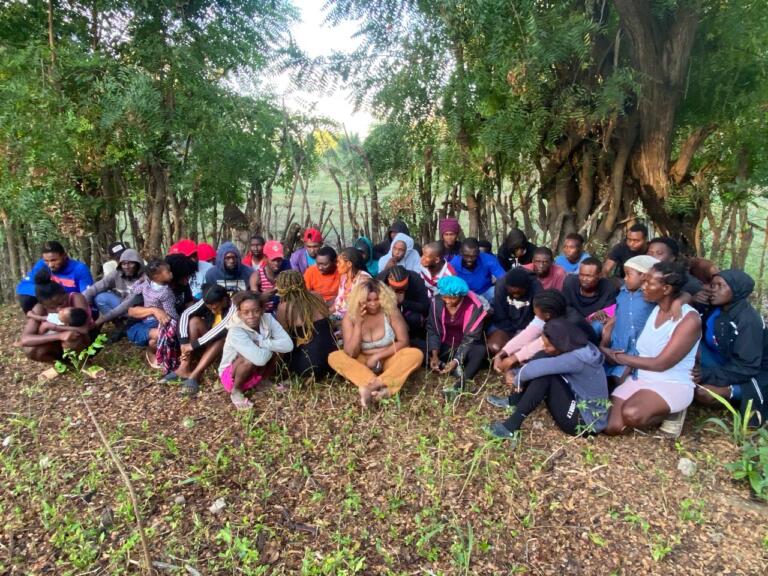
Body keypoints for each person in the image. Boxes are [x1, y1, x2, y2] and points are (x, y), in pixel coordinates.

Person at [602, 262, 701, 437]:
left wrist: (618, 357)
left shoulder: (689, 320)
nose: (643, 286)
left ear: (666, 288)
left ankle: (673, 412)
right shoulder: (653, 309)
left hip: (671, 382)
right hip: (641, 377)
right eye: (644, 281)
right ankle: (648, 405)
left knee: (631, 414)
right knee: (611, 427)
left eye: (649, 283)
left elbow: (660, 364)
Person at [487, 318, 610, 440]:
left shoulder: (578, 358)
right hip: (576, 398)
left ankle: (511, 427)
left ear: (561, 343)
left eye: (548, 345)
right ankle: (517, 400)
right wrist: (516, 373)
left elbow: (536, 368)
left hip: (585, 421)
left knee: (545, 376)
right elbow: (540, 362)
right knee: (543, 355)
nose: (544, 347)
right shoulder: (576, 345)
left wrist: (517, 379)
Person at [328, 280, 423, 407]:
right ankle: (382, 386)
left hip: (389, 357)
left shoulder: (390, 311)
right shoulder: (350, 317)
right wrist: (358, 324)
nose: (373, 304)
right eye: (368, 300)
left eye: (377, 299)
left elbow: (404, 342)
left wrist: (377, 356)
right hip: (362, 360)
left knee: (415, 354)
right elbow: (351, 353)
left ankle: (372, 386)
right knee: (335, 357)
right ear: (359, 301)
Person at [693, 270, 768, 424]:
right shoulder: (715, 309)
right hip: (724, 361)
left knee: (703, 393)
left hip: (754, 373)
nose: (713, 290)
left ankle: (731, 392)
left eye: (720, 286)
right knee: (685, 345)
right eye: (713, 285)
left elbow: (747, 367)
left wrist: (707, 374)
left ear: (736, 290)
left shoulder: (748, 321)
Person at [491, 289, 598, 384]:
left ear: (547, 315)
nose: (535, 315)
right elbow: (530, 332)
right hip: (568, 351)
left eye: (536, 313)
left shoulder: (566, 324)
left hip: (584, 360)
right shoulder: (553, 311)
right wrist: (503, 352)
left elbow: (542, 344)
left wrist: (513, 359)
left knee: (540, 356)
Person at [218, 292, 294, 410]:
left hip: (256, 372)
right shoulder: (235, 330)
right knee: (249, 359)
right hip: (232, 376)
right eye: (246, 312)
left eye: (256, 311)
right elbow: (260, 360)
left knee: (277, 347)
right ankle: (236, 391)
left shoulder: (268, 319)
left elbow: (288, 345)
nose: (251, 316)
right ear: (239, 313)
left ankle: (263, 382)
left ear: (262, 310)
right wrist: (271, 345)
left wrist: (261, 343)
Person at [163, 284, 235, 396]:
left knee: (222, 338)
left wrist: (193, 345)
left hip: (224, 344)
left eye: (215, 308)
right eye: (210, 308)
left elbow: (222, 328)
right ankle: (184, 368)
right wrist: (183, 343)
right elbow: (186, 314)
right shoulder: (208, 300)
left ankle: (195, 375)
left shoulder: (234, 305)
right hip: (207, 339)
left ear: (224, 300)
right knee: (194, 321)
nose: (212, 311)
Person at [423, 276, 488, 395]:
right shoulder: (436, 302)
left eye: (453, 298)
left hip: (466, 346)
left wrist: (456, 360)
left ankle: (460, 384)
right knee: (418, 345)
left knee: (480, 350)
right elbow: (433, 330)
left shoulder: (474, 306)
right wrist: (434, 354)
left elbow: (470, 338)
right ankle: (444, 365)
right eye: (445, 297)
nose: (448, 301)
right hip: (445, 345)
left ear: (461, 296)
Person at [600, 255, 659, 387]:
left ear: (644, 276)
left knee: (620, 379)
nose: (625, 278)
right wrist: (605, 340)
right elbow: (617, 316)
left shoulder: (651, 297)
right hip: (618, 344)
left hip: (637, 350)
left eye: (628, 274)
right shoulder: (622, 293)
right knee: (605, 374)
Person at [19, 268, 93, 370]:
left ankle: (83, 363)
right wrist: (60, 335)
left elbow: (84, 329)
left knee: (72, 337)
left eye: (61, 303)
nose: (58, 309)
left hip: (81, 341)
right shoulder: (39, 308)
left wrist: (54, 327)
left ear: (65, 294)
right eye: (52, 307)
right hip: (56, 344)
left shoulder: (75, 298)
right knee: (29, 350)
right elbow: (25, 340)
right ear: (43, 305)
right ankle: (63, 365)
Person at [275, 271, 337, 381]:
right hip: (331, 360)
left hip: (307, 366)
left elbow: (282, 339)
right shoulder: (316, 296)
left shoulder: (284, 307)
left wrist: (276, 366)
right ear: (302, 282)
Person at [17, 241, 93, 313]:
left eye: (54, 260)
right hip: (51, 307)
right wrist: (47, 295)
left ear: (64, 256)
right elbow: (24, 287)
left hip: (72, 305)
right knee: (26, 298)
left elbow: (87, 295)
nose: (50, 265)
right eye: (46, 261)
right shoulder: (42, 265)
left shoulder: (79, 268)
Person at [486, 268, 541, 356]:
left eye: (519, 292)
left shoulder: (536, 287)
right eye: (512, 292)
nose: (515, 295)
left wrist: (521, 335)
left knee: (522, 353)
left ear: (526, 287)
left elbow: (538, 316)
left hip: (527, 327)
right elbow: (500, 315)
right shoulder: (501, 285)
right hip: (505, 326)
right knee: (494, 347)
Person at [83, 249, 144, 321]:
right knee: (100, 297)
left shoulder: (145, 278)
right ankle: (119, 324)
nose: (127, 267)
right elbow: (96, 287)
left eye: (131, 263)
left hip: (141, 310)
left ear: (138, 263)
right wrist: (86, 307)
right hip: (122, 306)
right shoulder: (117, 273)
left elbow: (128, 304)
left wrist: (101, 320)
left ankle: (131, 323)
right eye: (124, 264)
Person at [449, 237, 506, 302]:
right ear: (461, 253)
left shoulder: (488, 259)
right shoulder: (453, 264)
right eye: (466, 256)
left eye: (473, 256)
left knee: (500, 291)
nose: (469, 260)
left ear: (478, 253)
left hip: (485, 292)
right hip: (465, 297)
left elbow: (503, 278)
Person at [379, 265, 430, 335]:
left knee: (414, 318)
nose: (399, 290)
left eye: (403, 287)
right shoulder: (381, 280)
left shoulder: (415, 279)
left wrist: (404, 302)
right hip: (388, 310)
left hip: (410, 311)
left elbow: (425, 306)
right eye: (396, 288)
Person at [331, 248, 372, 318]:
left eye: (339, 262)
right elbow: (338, 302)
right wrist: (327, 313)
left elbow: (363, 307)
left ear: (349, 264)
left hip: (355, 318)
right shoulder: (343, 277)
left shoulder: (364, 279)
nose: (337, 265)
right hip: (339, 316)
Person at [249, 240, 286, 311]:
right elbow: (254, 301)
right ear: (265, 258)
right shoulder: (257, 276)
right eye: (273, 260)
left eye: (279, 260)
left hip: (282, 313)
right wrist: (263, 297)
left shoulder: (285, 275)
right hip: (264, 313)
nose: (276, 263)